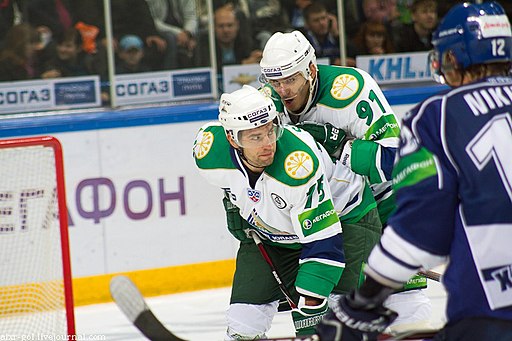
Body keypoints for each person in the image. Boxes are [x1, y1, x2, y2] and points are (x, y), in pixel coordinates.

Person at [317, 2, 512, 340]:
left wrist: (364, 303)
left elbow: (420, 229)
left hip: (491, 309)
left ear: (452, 57)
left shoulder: (437, 116)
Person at [257, 30, 431, 331]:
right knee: (338, 316)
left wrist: (342, 147)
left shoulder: (351, 90)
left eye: (290, 79)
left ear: (311, 71)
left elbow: (397, 162)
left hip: (381, 209)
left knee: (408, 315)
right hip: (320, 218)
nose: (282, 90)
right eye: (275, 81)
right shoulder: (267, 101)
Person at [193, 85, 349, 338]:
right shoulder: (209, 153)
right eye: (255, 137)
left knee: (321, 324)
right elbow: (229, 181)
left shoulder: (296, 166)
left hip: (339, 223)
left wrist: (311, 305)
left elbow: (324, 243)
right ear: (232, 139)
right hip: (268, 239)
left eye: (271, 132)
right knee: (243, 327)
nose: (267, 144)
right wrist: (234, 205)